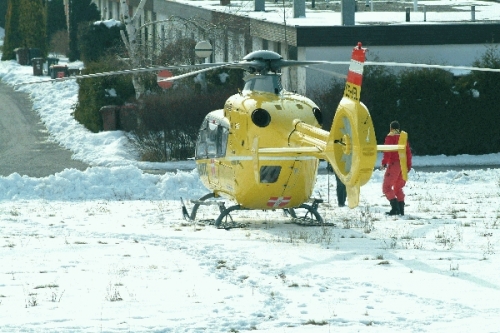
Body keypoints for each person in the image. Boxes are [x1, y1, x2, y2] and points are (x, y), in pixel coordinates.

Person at [381, 121, 412, 216]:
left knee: (386, 188)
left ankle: (395, 208)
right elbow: (408, 153)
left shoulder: (390, 137)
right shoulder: (403, 138)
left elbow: (388, 151)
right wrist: (408, 166)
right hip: (403, 165)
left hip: (394, 164)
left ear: (390, 128)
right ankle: (401, 209)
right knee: (398, 187)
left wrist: (384, 162)